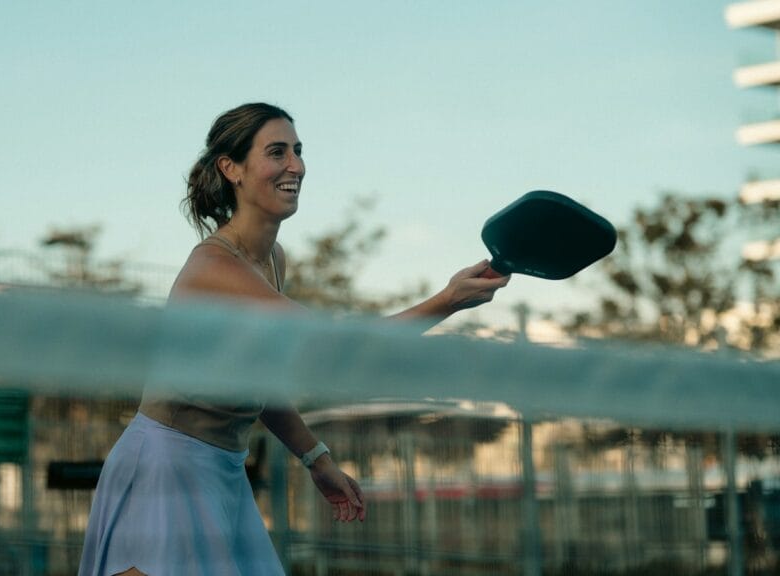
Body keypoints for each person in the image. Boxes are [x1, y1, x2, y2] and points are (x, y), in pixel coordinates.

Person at [77, 103, 510, 576]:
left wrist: (316, 458)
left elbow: (258, 378)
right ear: (232, 169)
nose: (296, 166)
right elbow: (333, 348)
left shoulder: (272, 260)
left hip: (223, 470)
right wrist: (446, 300)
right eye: (277, 152)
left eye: (298, 151)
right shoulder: (215, 267)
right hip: (163, 472)